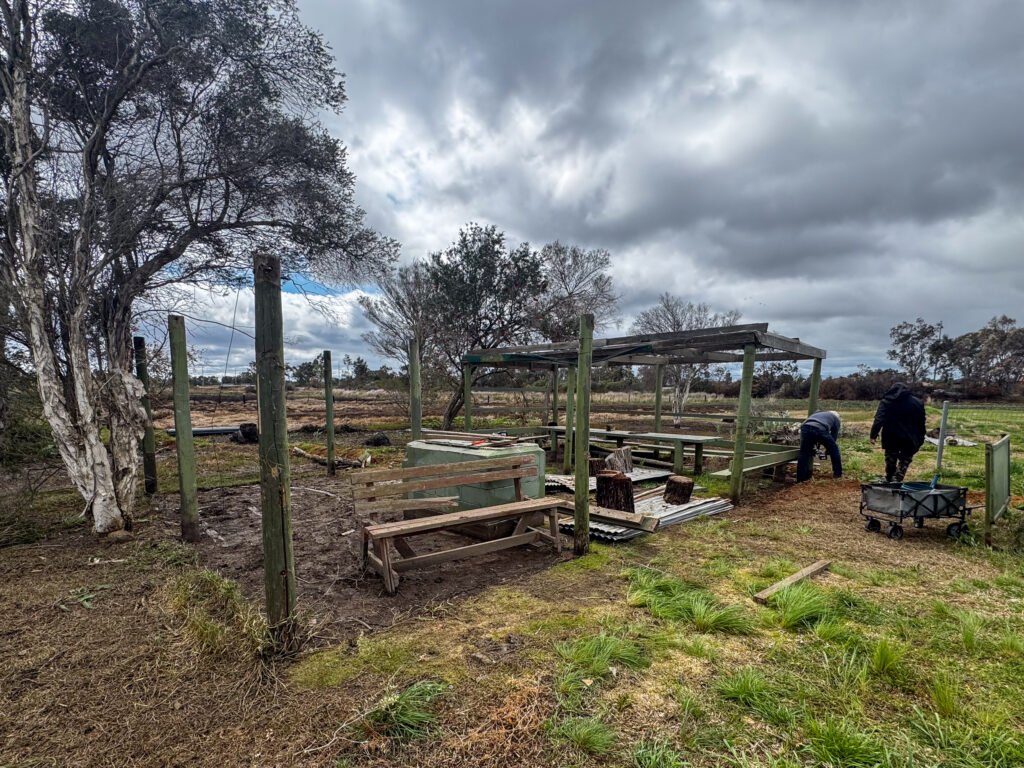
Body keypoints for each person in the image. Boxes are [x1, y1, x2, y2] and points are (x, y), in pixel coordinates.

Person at [870, 382, 926, 483]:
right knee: (905, 459)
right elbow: (921, 422)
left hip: (891, 436)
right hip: (910, 437)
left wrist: (873, 435)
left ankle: (889, 478)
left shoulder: (887, 401)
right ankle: (897, 478)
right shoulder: (918, 402)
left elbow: (879, 419)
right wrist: (921, 437)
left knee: (891, 458)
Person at [797, 410, 843, 482]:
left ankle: (800, 478)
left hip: (805, 427)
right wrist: (829, 449)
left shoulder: (819, 413)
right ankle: (838, 474)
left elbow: (810, 427)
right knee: (834, 449)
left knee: (804, 453)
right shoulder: (836, 419)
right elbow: (834, 435)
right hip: (819, 428)